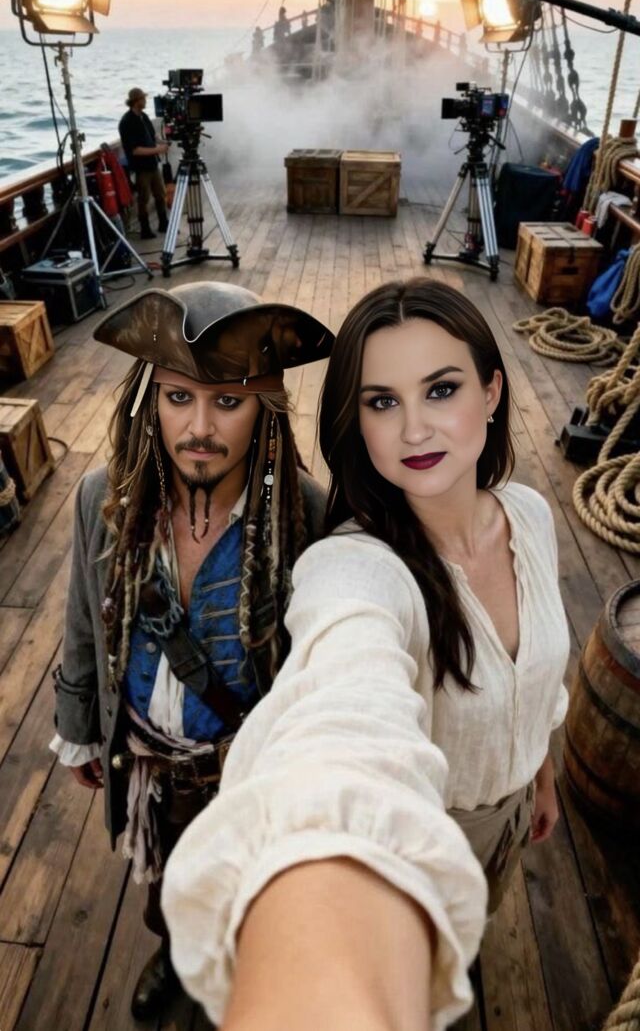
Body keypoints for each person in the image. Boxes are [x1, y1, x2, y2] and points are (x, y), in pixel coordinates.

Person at [161, 278, 571, 1031]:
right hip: (420, 835)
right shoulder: (359, 569)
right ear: (358, 422)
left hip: (512, 815)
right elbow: (341, 710)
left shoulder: (532, 515)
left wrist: (538, 774)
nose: (414, 429)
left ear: (491, 391)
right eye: (382, 401)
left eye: (440, 389)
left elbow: (537, 684)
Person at [50, 281, 333, 1021]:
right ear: (151, 399)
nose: (199, 428)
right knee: (169, 883)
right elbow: (83, 618)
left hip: (253, 772)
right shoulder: (102, 499)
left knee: (254, 889)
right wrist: (79, 722)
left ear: (264, 409)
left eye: (227, 401)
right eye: (179, 398)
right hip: (151, 764)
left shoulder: (305, 516)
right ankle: (177, 952)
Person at [118, 87, 169, 240]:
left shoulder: (144, 116)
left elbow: (153, 136)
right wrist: (158, 150)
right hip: (141, 168)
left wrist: (163, 142)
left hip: (152, 164)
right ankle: (145, 229)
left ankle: (163, 223)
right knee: (143, 198)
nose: (145, 101)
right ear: (136, 101)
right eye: (143, 99)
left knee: (160, 194)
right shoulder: (127, 122)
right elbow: (135, 150)